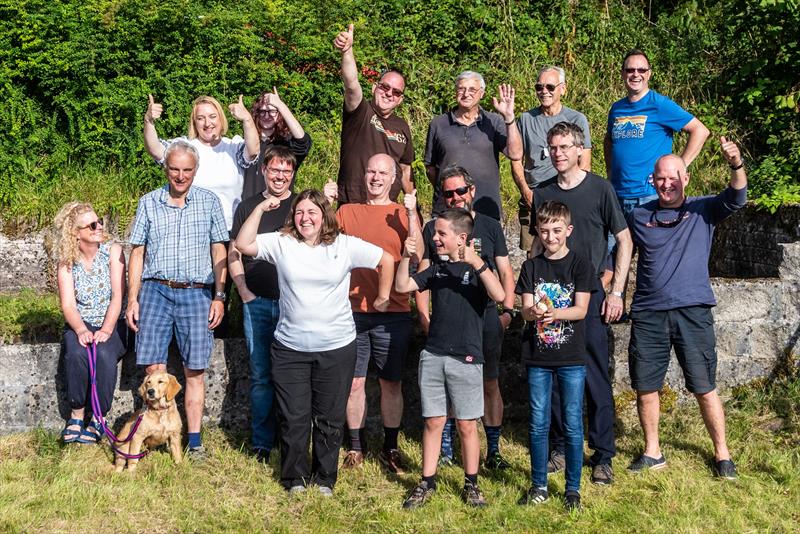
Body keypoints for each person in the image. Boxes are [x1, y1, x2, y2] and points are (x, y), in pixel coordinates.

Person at [234, 189, 395, 496]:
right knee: (294, 417)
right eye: (299, 213)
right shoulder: (282, 243)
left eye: (312, 213)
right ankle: (294, 478)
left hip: (336, 347)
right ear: (292, 217)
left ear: (324, 216)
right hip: (290, 348)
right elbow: (243, 244)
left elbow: (386, 259)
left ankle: (324, 478)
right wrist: (260, 209)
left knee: (329, 417)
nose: (305, 219)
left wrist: (383, 296)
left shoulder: (343, 245)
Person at [626, 138, 747, 480]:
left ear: (686, 178)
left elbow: (737, 196)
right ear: (653, 180)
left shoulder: (702, 209)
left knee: (703, 384)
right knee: (645, 385)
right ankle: (653, 451)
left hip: (693, 311)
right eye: (661, 178)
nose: (667, 183)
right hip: (649, 312)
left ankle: (723, 454)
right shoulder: (639, 215)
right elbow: (619, 255)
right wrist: (609, 287)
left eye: (674, 177)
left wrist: (736, 163)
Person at [530, 122, 633, 485]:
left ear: (579, 149)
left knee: (594, 377)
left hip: (589, 298)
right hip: (550, 301)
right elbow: (536, 247)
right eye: (552, 148)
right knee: (554, 375)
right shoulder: (542, 193)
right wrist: (529, 291)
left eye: (564, 147)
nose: (558, 153)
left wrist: (617, 292)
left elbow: (624, 240)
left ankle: (603, 454)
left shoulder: (600, 188)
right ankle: (559, 448)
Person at [126, 140, 229, 460]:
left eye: (187, 170)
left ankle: (194, 442)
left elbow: (219, 250)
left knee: (194, 369)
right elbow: (138, 252)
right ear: (165, 168)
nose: (180, 175)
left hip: (197, 293)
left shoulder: (210, 202)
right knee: (153, 367)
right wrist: (133, 298)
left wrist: (220, 296)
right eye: (174, 169)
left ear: (195, 170)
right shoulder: (148, 202)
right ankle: (154, 434)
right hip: (155, 290)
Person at [396, 208, 506, 509]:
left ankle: (472, 483)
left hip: (467, 358)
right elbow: (402, 286)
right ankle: (426, 482)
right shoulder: (437, 270)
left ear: (462, 238)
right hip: (433, 355)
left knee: (467, 425)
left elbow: (500, 297)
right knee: (433, 421)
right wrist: (406, 257)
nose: (435, 237)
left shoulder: (478, 270)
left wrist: (477, 262)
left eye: (441, 233)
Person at [416, 166, 516, 470]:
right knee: (444, 386)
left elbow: (506, 272)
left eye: (460, 191)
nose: (455, 197)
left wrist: (508, 312)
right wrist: (424, 317)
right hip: (445, 319)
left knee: (490, 383)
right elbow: (421, 274)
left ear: (472, 191)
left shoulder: (489, 225)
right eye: (448, 193)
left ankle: (494, 449)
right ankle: (446, 449)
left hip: (484, 316)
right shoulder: (434, 228)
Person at [335, 154, 421, 473]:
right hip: (352, 312)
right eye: (370, 171)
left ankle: (390, 447)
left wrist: (412, 215)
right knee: (354, 384)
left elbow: (420, 253)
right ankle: (355, 446)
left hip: (394, 312)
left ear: (393, 178)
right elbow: (322, 245)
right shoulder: (346, 211)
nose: (375, 177)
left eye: (382, 173)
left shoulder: (402, 212)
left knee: (391, 384)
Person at [516, 201, 592, 511]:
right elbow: (524, 310)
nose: (550, 236)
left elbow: (581, 309)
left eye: (557, 230)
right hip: (538, 357)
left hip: (572, 357)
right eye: (545, 231)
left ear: (568, 231)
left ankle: (573, 488)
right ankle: (539, 485)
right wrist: (533, 312)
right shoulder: (530, 267)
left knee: (573, 424)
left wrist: (554, 312)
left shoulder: (580, 265)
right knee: (538, 423)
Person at [228, 146, 299, 464]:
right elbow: (234, 252)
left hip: (293, 304)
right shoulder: (247, 206)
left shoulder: (302, 207)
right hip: (255, 302)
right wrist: (242, 290)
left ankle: (290, 439)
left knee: (291, 375)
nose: (280, 175)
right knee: (260, 376)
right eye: (275, 169)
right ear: (264, 171)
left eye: (286, 170)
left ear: (292, 174)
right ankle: (261, 442)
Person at [52, 202, 127, 444]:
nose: (99, 227)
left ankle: (98, 418)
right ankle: (76, 415)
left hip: (112, 322)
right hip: (81, 322)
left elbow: (118, 296)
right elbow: (68, 305)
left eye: (99, 222)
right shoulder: (66, 262)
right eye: (92, 225)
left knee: (104, 354)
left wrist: (106, 329)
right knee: (76, 353)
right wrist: (81, 329)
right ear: (76, 232)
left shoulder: (113, 251)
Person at [604, 49, 710, 214]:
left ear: (649, 74)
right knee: (614, 241)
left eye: (641, 70)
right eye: (630, 70)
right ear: (622, 73)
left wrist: (680, 167)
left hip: (649, 196)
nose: (635, 74)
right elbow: (609, 140)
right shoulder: (617, 108)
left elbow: (700, 130)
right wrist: (610, 173)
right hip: (616, 195)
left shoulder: (660, 104)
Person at [143, 94, 260, 231]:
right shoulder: (185, 147)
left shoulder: (233, 147)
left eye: (212, 116)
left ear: (221, 119)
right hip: (193, 230)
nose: (207, 123)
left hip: (228, 229)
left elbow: (253, 151)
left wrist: (247, 119)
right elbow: (155, 150)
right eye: (200, 118)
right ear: (194, 122)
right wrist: (148, 120)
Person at [512, 66, 592, 251]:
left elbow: (585, 162)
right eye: (539, 87)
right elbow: (516, 160)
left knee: (569, 251)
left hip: (567, 197)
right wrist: (525, 191)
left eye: (550, 87)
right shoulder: (525, 119)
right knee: (534, 254)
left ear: (562, 88)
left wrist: (577, 195)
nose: (544, 92)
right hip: (534, 196)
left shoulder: (577, 119)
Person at [333, 24, 415, 204]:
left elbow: (405, 169)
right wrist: (347, 51)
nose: (389, 93)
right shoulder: (360, 112)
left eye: (396, 92)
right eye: (385, 87)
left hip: (386, 211)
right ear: (374, 88)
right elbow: (351, 83)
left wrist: (413, 208)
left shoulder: (402, 126)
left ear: (400, 99)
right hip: (353, 205)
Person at [424, 71, 522, 220]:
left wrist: (509, 118)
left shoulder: (494, 121)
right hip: (448, 208)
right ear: (455, 92)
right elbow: (430, 168)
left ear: (481, 93)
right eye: (461, 89)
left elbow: (515, 154)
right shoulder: (438, 124)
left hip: (486, 208)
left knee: (483, 244)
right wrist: (450, 188)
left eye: (472, 90)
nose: (466, 94)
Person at [241, 88, 312, 200]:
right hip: (249, 208)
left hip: (280, 208)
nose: (267, 116)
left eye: (272, 111)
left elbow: (303, 142)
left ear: (280, 114)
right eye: (262, 111)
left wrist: (280, 105)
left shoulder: (287, 145)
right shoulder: (245, 144)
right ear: (256, 114)